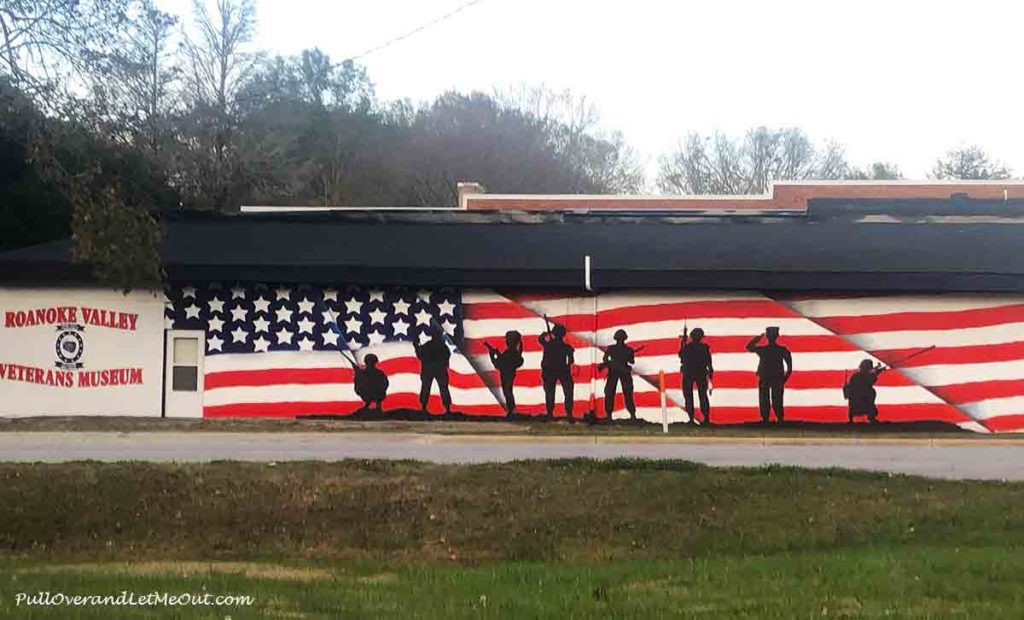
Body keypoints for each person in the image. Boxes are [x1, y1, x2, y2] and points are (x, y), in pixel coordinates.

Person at [746, 326, 792, 423]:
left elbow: (749, 347)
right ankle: (777, 418)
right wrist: (785, 378)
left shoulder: (764, 350)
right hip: (773, 377)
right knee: (774, 398)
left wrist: (758, 338)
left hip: (768, 376)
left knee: (767, 398)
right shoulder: (781, 350)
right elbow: (789, 366)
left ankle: (769, 418)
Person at [539, 322, 575, 419]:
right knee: (568, 392)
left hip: (550, 371)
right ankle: (569, 413)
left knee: (550, 392)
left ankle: (550, 413)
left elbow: (540, 338)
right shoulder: (567, 348)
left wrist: (547, 333)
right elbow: (571, 361)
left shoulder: (548, 345)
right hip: (562, 370)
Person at [679, 326, 714, 424]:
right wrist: (711, 372)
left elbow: (681, 356)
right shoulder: (704, 347)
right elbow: (709, 362)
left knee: (690, 396)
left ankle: (692, 418)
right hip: (699, 372)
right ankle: (705, 418)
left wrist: (683, 343)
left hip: (690, 372)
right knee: (702, 395)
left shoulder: (689, 347)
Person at [601, 329, 637, 420]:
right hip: (614, 371)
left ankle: (632, 414)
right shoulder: (614, 349)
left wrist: (629, 356)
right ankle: (609, 415)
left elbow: (631, 362)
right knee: (610, 392)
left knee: (627, 392)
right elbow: (605, 359)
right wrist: (612, 364)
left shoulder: (622, 349)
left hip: (623, 371)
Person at [414, 328, 452, 414]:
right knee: (440, 389)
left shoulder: (429, 345)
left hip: (430, 369)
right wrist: (416, 346)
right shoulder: (442, 346)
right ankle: (447, 408)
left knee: (428, 388)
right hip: (437, 369)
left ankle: (425, 407)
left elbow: (420, 355)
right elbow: (447, 356)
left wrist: (416, 346)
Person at [486, 330, 524, 416]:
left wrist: (492, 357)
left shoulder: (509, 353)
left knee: (507, 391)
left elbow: (498, 365)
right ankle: (511, 409)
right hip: (509, 373)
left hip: (506, 374)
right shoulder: (513, 353)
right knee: (508, 391)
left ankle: (511, 410)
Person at [844, 359, 885, 423]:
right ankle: (871, 418)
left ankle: (870, 418)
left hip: (857, 401)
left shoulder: (856, 375)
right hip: (860, 399)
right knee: (870, 397)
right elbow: (869, 381)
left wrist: (877, 371)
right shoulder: (858, 376)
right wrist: (876, 372)